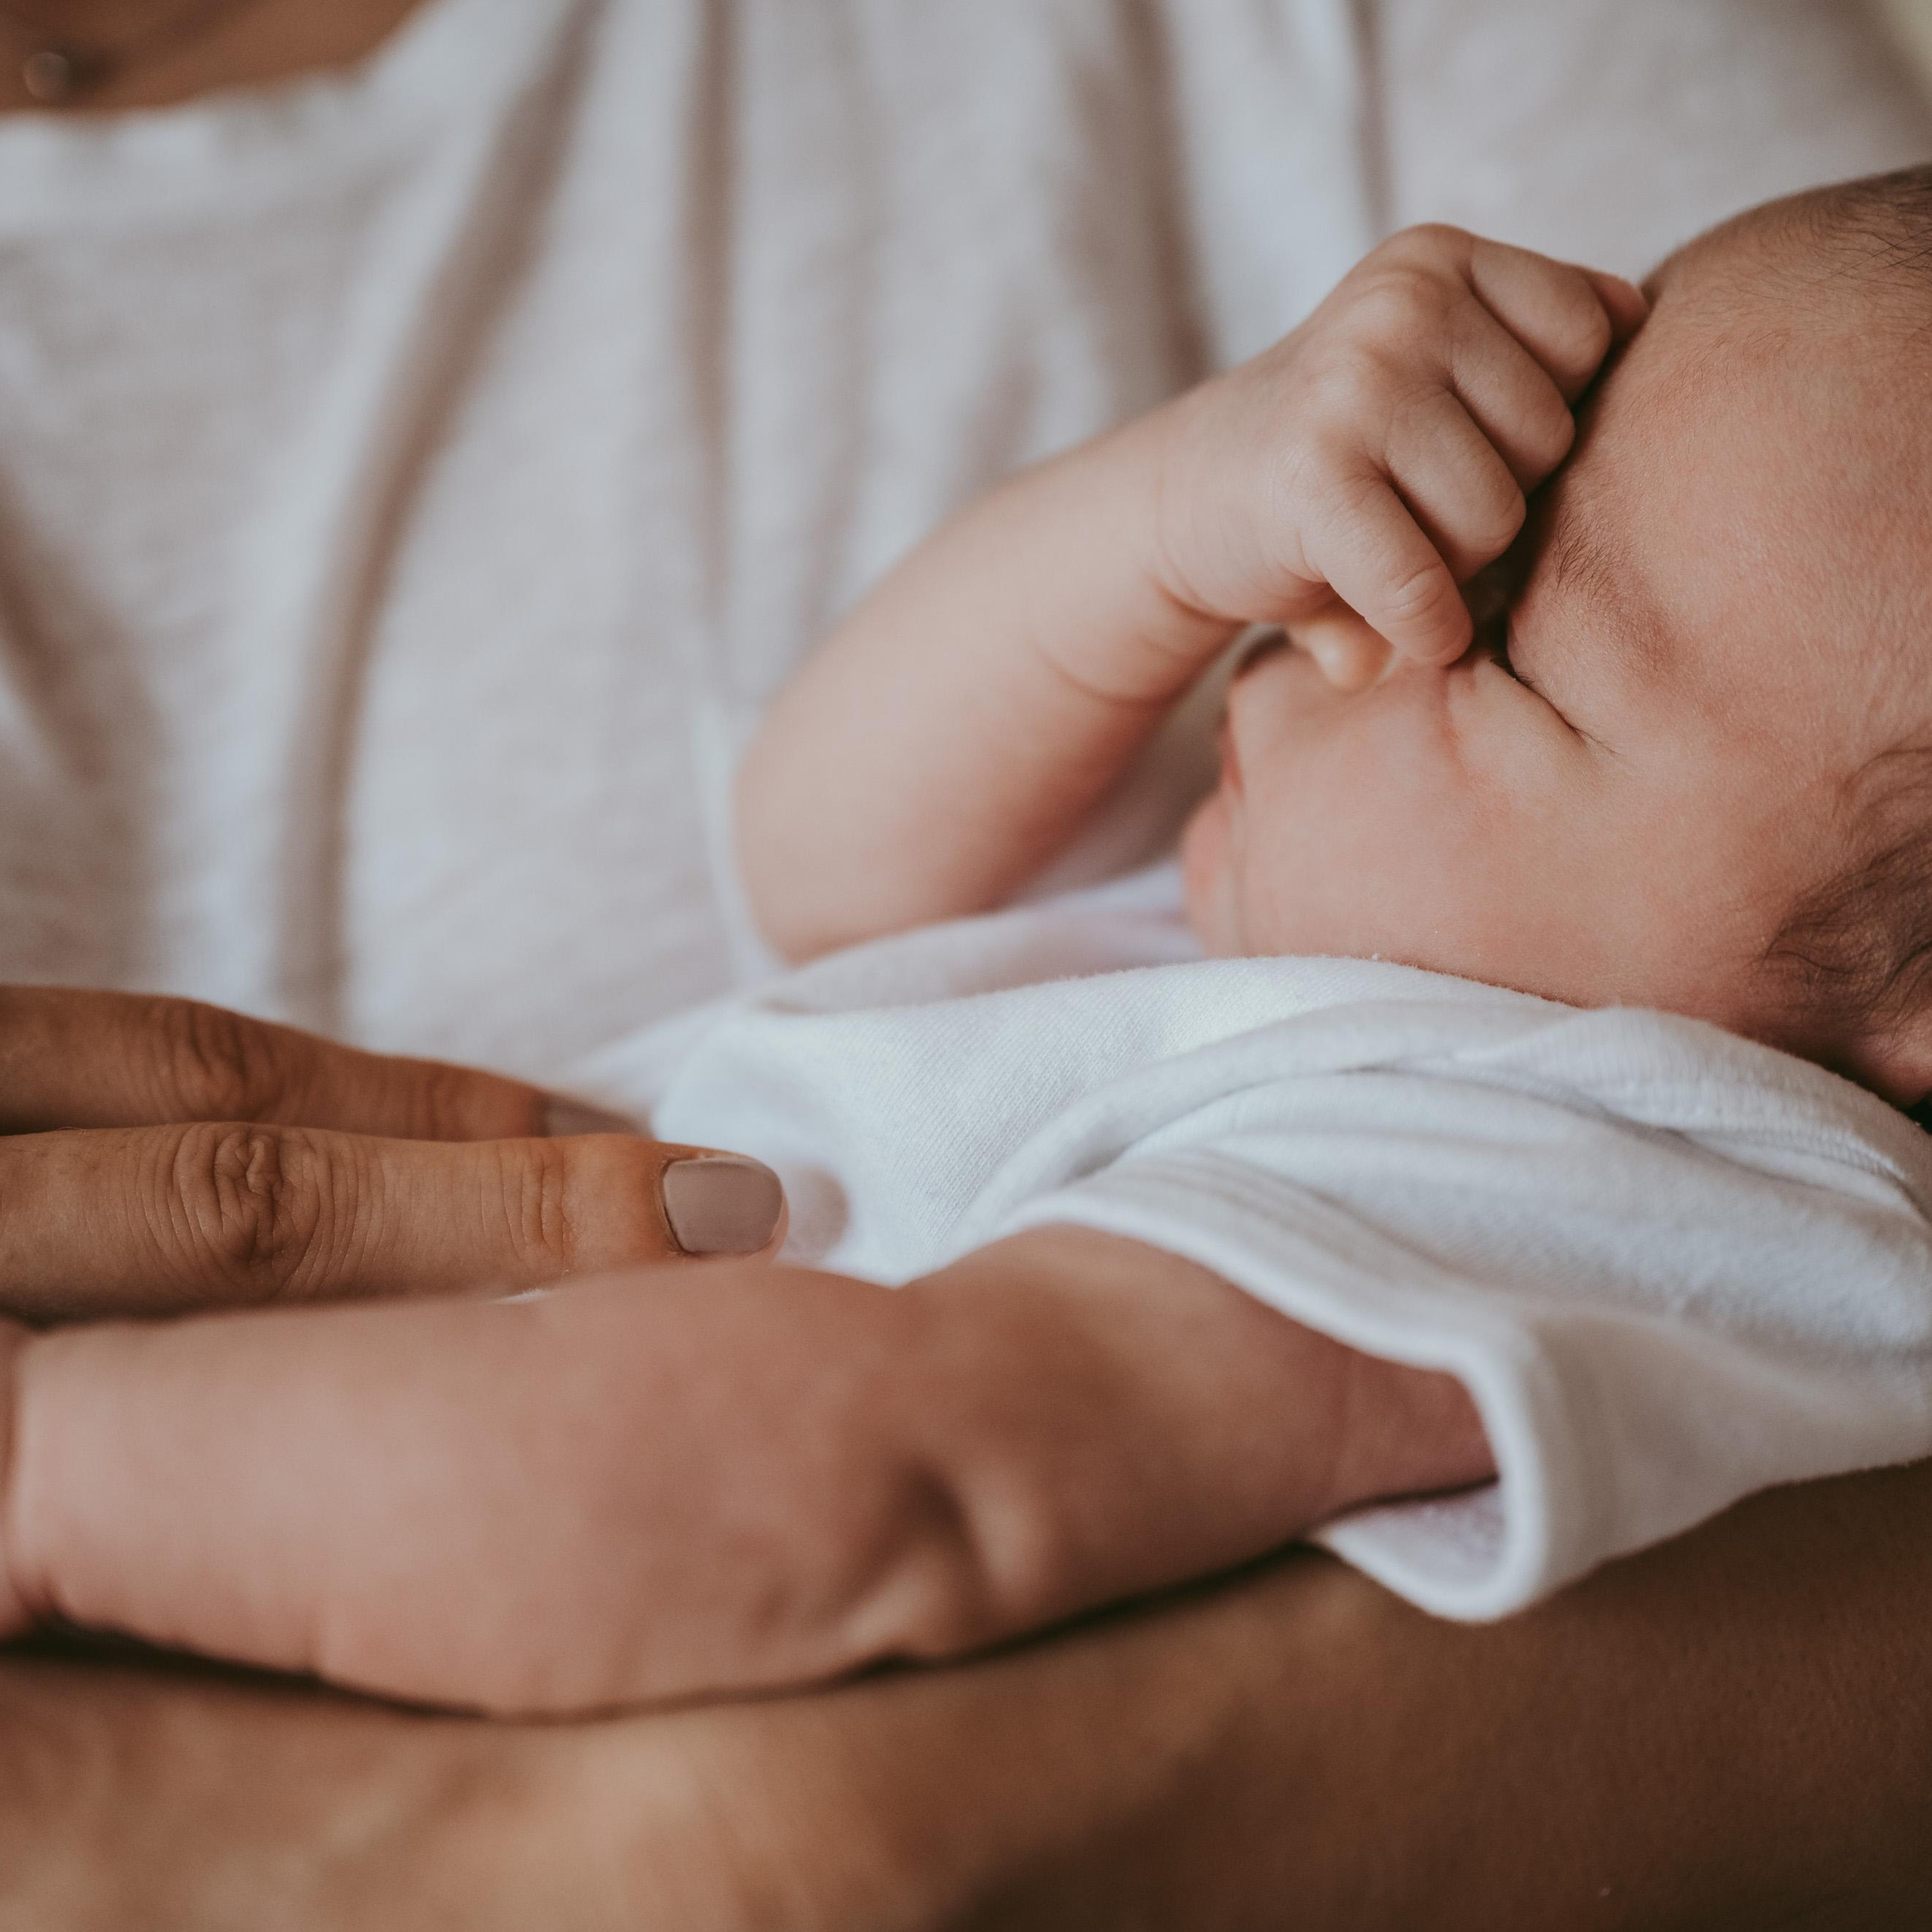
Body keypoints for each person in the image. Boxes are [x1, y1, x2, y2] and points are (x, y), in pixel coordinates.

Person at [4, 0, 1932, 1919]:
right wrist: (1174, 510)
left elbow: (881, 1491)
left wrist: (47, 1466)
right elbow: (823, 856)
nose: (1346, 622)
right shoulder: (1374, 943)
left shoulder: (1600, 1162)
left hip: (334, 1644)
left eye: (1501, 643)